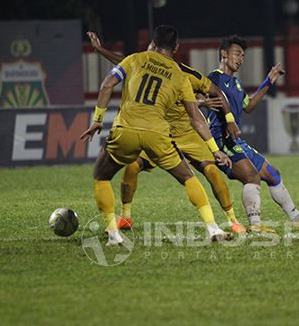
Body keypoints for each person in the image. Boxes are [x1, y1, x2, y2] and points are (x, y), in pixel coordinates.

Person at [79, 25, 233, 245]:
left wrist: (98, 120)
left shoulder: (135, 59)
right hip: (157, 133)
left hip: (126, 129)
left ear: (152, 43)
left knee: (101, 176)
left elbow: (107, 84)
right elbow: (196, 117)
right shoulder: (180, 76)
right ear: (176, 47)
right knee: (188, 177)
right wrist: (215, 149)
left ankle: (114, 234)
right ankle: (213, 228)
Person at [207, 35, 299, 233]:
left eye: (243, 55)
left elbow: (248, 106)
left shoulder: (237, 84)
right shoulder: (213, 78)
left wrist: (269, 81)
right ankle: (255, 224)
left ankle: (296, 216)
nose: (241, 58)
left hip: (236, 141)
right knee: (252, 177)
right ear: (224, 54)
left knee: (272, 174)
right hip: (221, 140)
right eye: (237, 53)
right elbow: (199, 96)